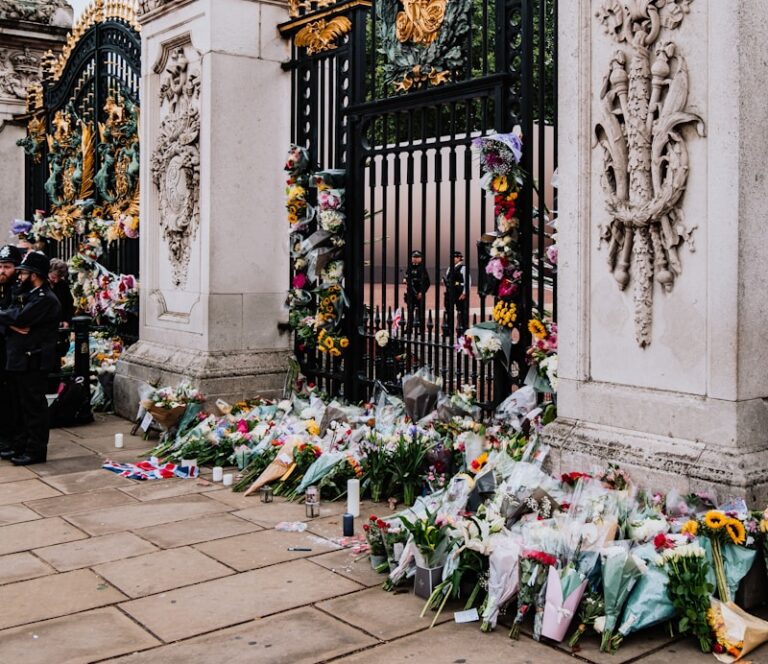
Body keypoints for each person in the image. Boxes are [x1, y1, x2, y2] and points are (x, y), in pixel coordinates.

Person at [0, 251, 61, 465]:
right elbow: (10, 312)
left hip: (33, 360)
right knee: (21, 405)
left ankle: (35, 450)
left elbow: (21, 316)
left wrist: (11, 319)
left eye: (24, 273)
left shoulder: (45, 299)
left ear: (34, 274)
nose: (20, 276)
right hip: (19, 358)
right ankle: (21, 444)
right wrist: (10, 321)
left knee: (34, 407)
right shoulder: (28, 294)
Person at [0, 245, 23, 460]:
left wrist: (6, 321)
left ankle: (10, 438)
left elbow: (19, 316)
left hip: (13, 352)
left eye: (7, 267)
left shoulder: (19, 288)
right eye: (0, 266)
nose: (2, 271)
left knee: (11, 397)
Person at [402, 250, 430, 331]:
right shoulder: (409, 267)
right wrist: (404, 280)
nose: (415, 259)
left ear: (421, 259)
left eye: (417, 257)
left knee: (421, 312)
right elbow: (406, 277)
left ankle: (421, 329)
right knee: (410, 311)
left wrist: (422, 292)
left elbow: (427, 282)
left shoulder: (422, 268)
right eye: (414, 257)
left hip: (420, 293)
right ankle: (409, 328)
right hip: (411, 293)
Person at [444, 250, 469, 334]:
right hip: (450, 292)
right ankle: (448, 330)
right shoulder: (449, 268)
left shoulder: (463, 268)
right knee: (449, 311)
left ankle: (462, 329)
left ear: (459, 258)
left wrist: (464, 293)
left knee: (461, 311)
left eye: (454, 257)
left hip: (459, 291)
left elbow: (467, 281)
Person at [48, 258, 74, 327]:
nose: (56, 281)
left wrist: (67, 320)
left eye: (59, 277)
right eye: (53, 277)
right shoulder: (42, 284)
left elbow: (69, 305)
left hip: (61, 324)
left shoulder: (63, 285)